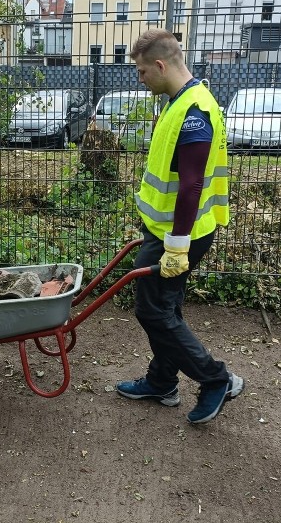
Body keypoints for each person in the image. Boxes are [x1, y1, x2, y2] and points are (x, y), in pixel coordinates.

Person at [115, 29, 243, 424]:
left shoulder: (194, 112)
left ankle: (215, 379)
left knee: (153, 310)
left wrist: (176, 245)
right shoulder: (180, 101)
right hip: (168, 228)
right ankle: (162, 380)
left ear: (159, 65)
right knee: (164, 307)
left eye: (140, 72)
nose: (139, 79)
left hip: (183, 232)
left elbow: (191, 185)